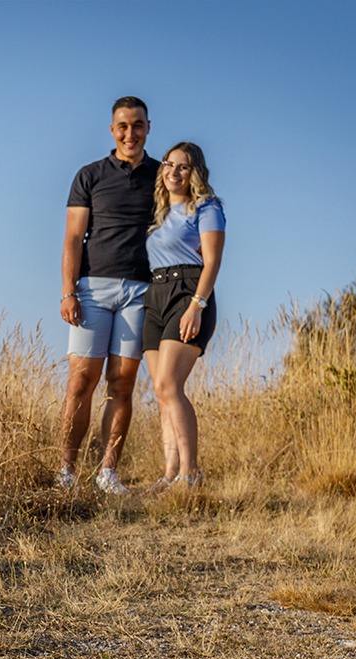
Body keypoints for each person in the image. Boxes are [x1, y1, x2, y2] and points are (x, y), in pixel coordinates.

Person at [58, 96, 159, 495]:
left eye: (137, 125)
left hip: (141, 291)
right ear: (112, 130)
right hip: (92, 290)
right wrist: (68, 291)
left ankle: (107, 474)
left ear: (148, 127)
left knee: (121, 384)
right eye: (123, 126)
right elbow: (72, 237)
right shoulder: (90, 176)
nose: (130, 133)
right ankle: (66, 472)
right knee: (81, 381)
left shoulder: (162, 176)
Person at [141, 142, 225, 494]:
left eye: (183, 166)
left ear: (195, 173)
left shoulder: (207, 207)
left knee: (168, 385)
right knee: (162, 392)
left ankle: (190, 474)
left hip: (188, 292)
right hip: (155, 295)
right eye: (168, 164)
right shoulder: (159, 213)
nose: (174, 172)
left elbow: (213, 261)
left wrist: (197, 305)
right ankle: (170, 473)